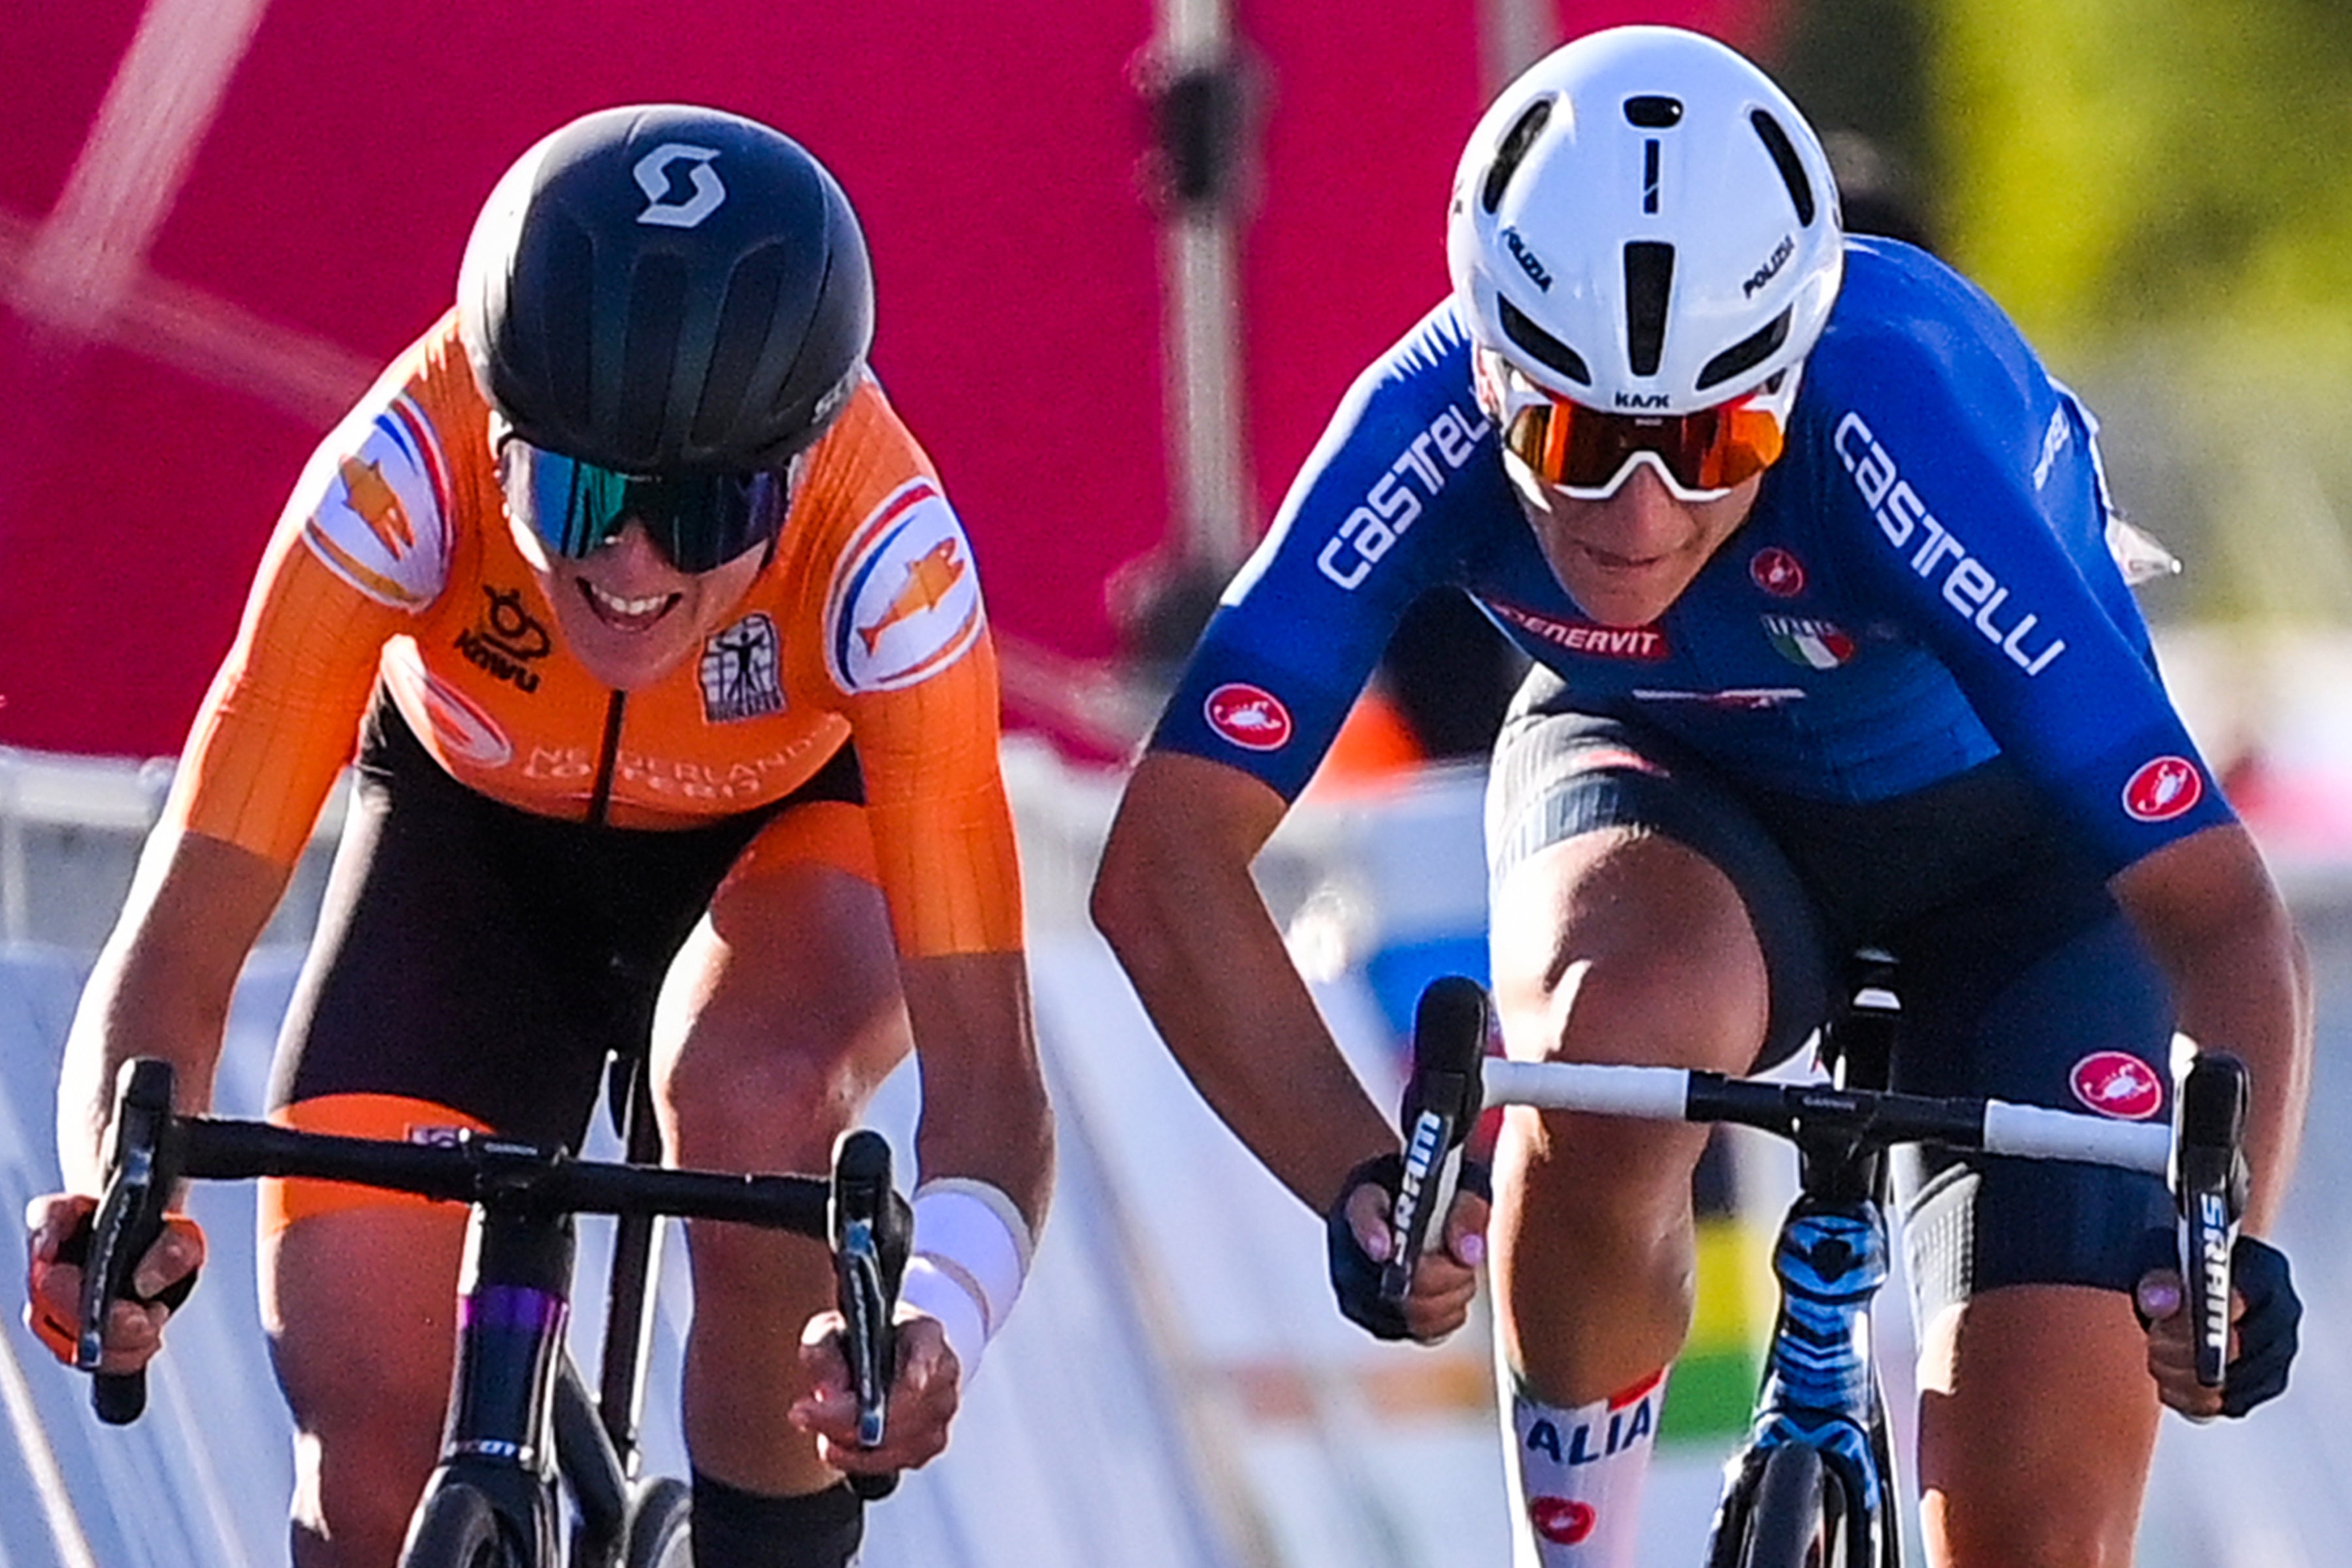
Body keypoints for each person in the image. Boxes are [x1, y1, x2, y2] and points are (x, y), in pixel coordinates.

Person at [1092, 26, 2309, 1568]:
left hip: (2022, 870)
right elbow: (1163, 862)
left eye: (1715, 439)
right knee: (1612, 1026)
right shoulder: (1421, 423)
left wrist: (2229, 1250)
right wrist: (1365, 1183)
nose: (1638, 511)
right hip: (1674, 797)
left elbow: (2220, 913)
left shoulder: (1900, 418)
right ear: (1488, 367)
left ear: (1788, 384)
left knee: (2036, 1534)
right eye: (1575, 436)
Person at [24, 103, 1052, 1568]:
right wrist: (105, 1202)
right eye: (576, 492)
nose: (629, 565)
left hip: (784, 839)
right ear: (495, 428)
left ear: (803, 464)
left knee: (749, 1094)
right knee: (361, 1418)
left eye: (702, 516)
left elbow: (994, 1091)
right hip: (472, 833)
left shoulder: (891, 559)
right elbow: (178, 937)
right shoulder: (402, 472)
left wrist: (935, 1323)